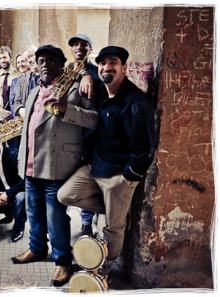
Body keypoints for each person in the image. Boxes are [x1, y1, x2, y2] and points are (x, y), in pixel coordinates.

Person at [57, 46, 155, 277]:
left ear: (124, 67)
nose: (106, 67)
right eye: (102, 63)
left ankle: (104, 268)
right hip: (95, 167)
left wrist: (126, 180)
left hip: (117, 176)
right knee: (65, 195)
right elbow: (95, 119)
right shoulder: (104, 91)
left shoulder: (136, 103)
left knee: (112, 229)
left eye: (112, 62)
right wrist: (66, 108)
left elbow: (146, 150)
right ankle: (118, 211)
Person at [11, 45, 98, 287]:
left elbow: (93, 120)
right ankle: (36, 249)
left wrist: (65, 109)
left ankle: (62, 260)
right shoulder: (34, 92)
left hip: (57, 165)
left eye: (50, 60)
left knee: (55, 217)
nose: (44, 64)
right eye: (41, 60)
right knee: (33, 213)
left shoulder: (75, 88)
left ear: (61, 64)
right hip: (30, 165)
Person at [67, 33, 103, 237]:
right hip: (67, 134)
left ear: (90, 49)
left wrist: (86, 74)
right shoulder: (66, 70)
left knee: (86, 181)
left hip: (88, 137)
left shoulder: (96, 73)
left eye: (84, 44)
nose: (79, 47)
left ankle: (87, 223)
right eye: (75, 45)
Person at [0, 46, 20, 131]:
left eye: (5, 57)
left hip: (14, 117)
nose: (2, 60)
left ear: (11, 58)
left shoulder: (19, 75)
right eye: (0, 58)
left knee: (14, 144)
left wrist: (11, 114)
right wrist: (3, 112)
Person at [13, 46, 40, 119]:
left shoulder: (51, 75)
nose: (29, 61)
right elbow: (16, 103)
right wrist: (23, 111)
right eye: (26, 59)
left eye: (31, 56)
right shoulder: (21, 80)